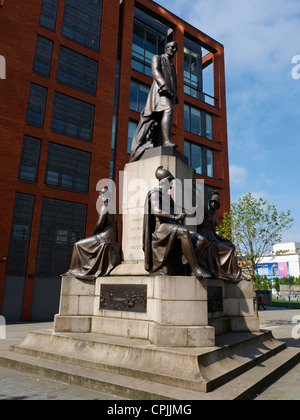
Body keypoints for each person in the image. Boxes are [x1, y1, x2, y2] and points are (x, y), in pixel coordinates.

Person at [143, 166, 210, 280]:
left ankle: (188, 265)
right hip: (162, 228)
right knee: (184, 232)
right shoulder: (155, 193)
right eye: (170, 181)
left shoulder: (168, 197)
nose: (171, 184)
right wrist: (175, 217)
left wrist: (179, 218)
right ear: (164, 181)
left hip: (172, 226)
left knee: (203, 241)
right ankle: (195, 269)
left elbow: (174, 214)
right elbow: (157, 211)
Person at [130, 42, 179, 162]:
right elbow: (155, 71)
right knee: (168, 109)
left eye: (175, 48)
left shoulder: (173, 67)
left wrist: (175, 95)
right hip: (159, 92)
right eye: (170, 47)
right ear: (166, 48)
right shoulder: (157, 58)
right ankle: (167, 141)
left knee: (162, 117)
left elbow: (174, 83)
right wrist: (163, 84)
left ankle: (161, 142)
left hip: (169, 94)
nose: (172, 49)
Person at [66, 187, 121, 280]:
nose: (100, 196)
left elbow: (100, 223)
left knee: (77, 245)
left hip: (104, 237)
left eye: (102, 194)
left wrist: (94, 232)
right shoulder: (113, 207)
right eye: (100, 194)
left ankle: (74, 270)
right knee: (80, 244)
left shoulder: (105, 207)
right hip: (110, 237)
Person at [195, 190, 243, 283]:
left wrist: (224, 239)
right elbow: (200, 204)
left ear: (218, 206)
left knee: (231, 245)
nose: (214, 204)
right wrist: (199, 193)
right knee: (229, 251)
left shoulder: (214, 217)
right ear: (210, 203)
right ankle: (232, 275)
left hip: (213, 237)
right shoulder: (206, 212)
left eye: (216, 203)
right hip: (207, 238)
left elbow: (214, 233)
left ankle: (233, 273)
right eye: (212, 202)